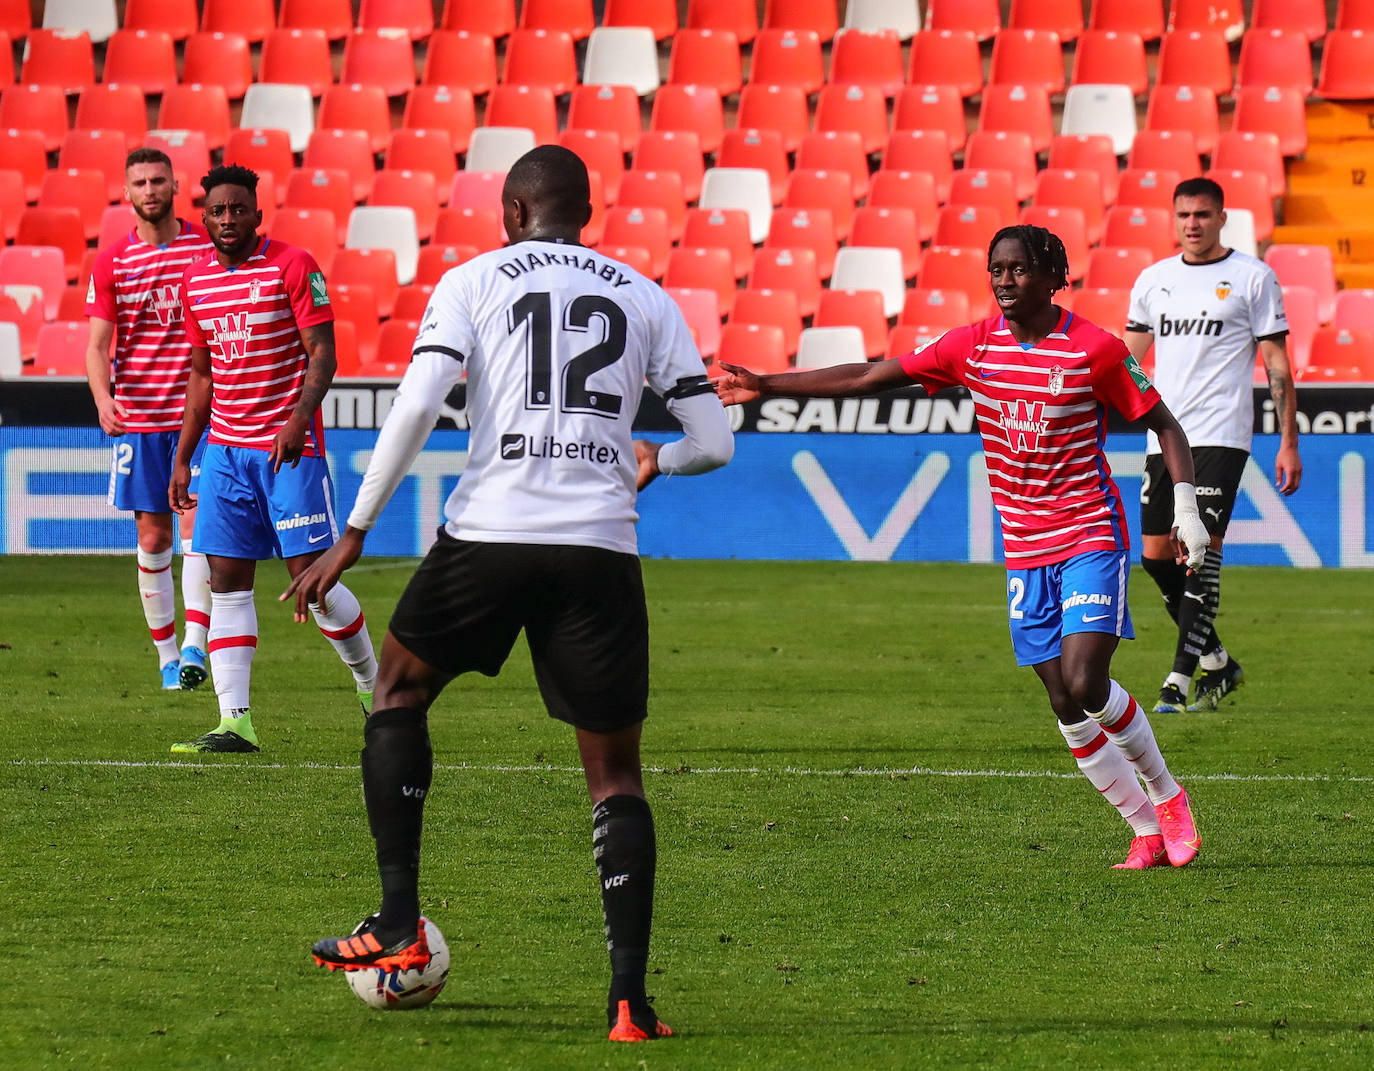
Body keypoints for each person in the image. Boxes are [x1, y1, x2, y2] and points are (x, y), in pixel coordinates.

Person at [285, 145, 733, 1042]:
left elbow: (417, 403)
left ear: (517, 213)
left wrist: (359, 528)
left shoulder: (474, 279)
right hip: (599, 548)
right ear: (583, 212)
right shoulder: (644, 294)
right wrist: (656, 459)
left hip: (491, 531)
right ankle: (629, 1005)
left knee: (399, 687)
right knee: (614, 774)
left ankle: (399, 920)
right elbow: (714, 439)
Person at [716, 225, 1209, 872]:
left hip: (1089, 531)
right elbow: (872, 374)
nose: (1004, 280)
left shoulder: (1096, 349)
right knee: (1062, 697)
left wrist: (1186, 508)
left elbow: (1164, 424)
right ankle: (1143, 828)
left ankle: (1168, 798)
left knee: (1088, 680)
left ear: (1053, 275)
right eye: (996, 269)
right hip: (1026, 547)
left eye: (1019, 269)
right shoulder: (970, 346)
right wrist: (771, 385)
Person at [167, 164, 378, 754]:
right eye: (217, 211)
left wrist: (295, 419)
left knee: (313, 581)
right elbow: (203, 374)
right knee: (226, 582)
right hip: (226, 454)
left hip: (289, 452)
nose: (228, 219)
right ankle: (235, 720)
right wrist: (185, 458)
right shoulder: (196, 282)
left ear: (258, 214)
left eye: (239, 209)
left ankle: (374, 685)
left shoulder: (293, 265)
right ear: (203, 218)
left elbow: (323, 353)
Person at [1126, 177, 1301, 714]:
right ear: (1174, 218)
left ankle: (1177, 683)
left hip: (1224, 433)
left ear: (1223, 217)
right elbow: (1128, 357)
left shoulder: (1252, 277)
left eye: (1202, 214)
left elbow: (1276, 366)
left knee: (1199, 552)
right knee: (1155, 556)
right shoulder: (1154, 281)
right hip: (1167, 433)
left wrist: (1289, 439)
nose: (1192, 224)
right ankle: (1220, 662)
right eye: (1183, 215)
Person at [86, 147, 216, 691]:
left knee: (198, 525)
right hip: (140, 417)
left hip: (201, 414)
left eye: (158, 180)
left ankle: (195, 645)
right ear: (126, 193)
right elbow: (97, 345)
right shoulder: (112, 261)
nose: (149, 189)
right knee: (154, 533)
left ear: (175, 185)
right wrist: (102, 398)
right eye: (139, 182)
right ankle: (166, 659)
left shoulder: (205, 247)